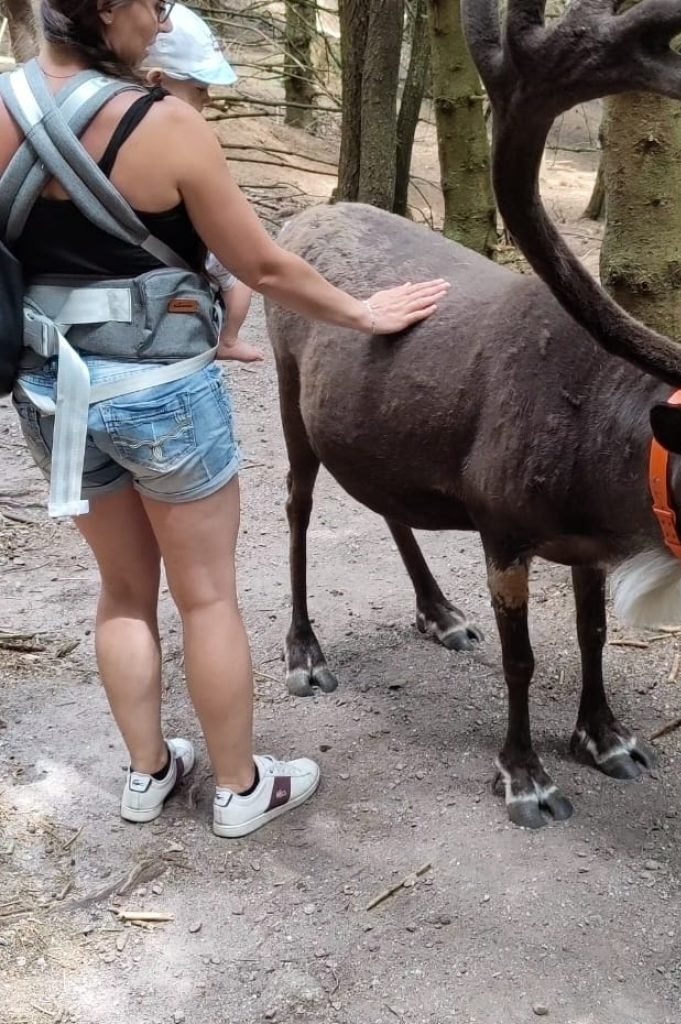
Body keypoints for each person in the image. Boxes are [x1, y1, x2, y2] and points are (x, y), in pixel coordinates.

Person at [1, 0, 449, 838]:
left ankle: (148, 774)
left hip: (54, 394)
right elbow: (262, 263)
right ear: (110, 9)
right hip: (162, 388)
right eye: (155, 5)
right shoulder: (165, 124)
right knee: (206, 598)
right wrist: (361, 314)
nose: (160, 20)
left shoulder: (2, 101)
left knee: (123, 592)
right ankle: (241, 789)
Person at [141, 3, 260, 363]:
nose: (208, 98)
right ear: (157, 80)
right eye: (198, 88)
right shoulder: (183, 140)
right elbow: (260, 264)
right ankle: (230, 338)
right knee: (239, 279)